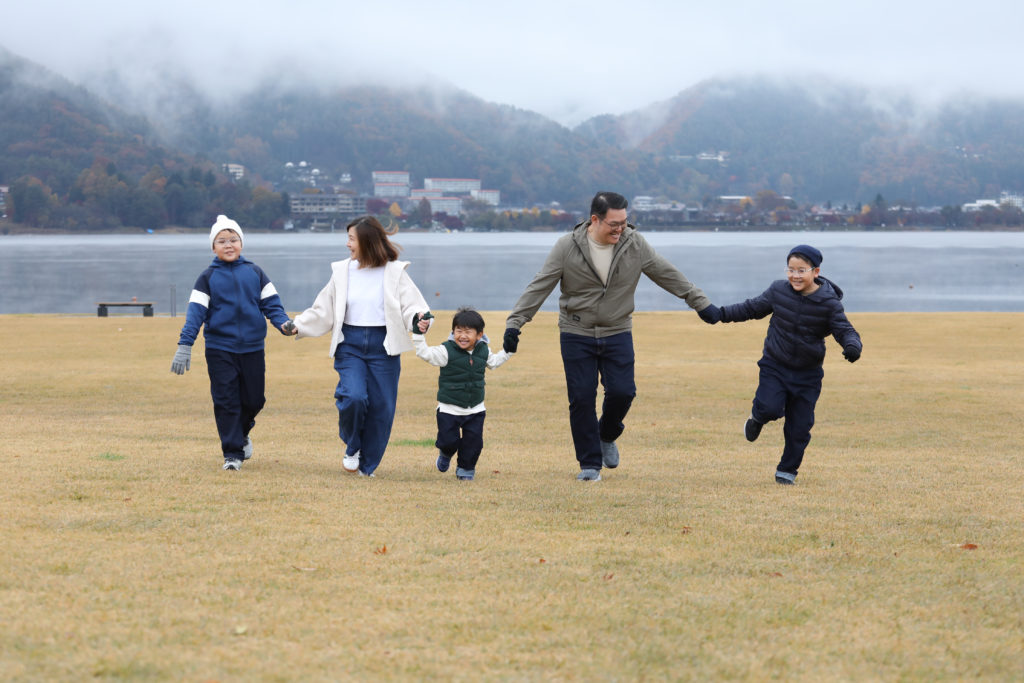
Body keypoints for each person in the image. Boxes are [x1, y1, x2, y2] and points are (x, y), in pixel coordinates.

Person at [504, 191, 716, 481]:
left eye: (624, 222)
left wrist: (700, 302)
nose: (621, 229)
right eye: (614, 224)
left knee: (623, 392)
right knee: (581, 398)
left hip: (617, 330)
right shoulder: (567, 247)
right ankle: (590, 465)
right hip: (576, 331)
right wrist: (515, 323)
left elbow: (667, 273)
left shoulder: (634, 243)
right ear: (595, 219)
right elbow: (540, 285)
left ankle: (607, 434)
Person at [697, 244, 862, 485]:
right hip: (775, 365)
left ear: (815, 272)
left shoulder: (829, 303)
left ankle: (787, 471)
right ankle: (757, 418)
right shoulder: (778, 291)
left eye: (801, 270)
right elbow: (750, 308)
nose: (795, 275)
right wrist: (719, 314)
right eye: (791, 269)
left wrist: (852, 346)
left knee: (800, 427)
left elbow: (844, 329)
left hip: (808, 374)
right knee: (770, 408)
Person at [293, 215, 430, 477]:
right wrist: (298, 325)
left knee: (382, 408)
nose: (347, 244)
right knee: (354, 397)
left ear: (366, 242)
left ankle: (368, 467)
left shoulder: (394, 272)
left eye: (351, 239)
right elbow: (324, 308)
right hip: (350, 345)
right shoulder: (342, 272)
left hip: (384, 347)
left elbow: (413, 307)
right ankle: (352, 443)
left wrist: (419, 321)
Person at [170, 214, 297, 471]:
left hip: (252, 348)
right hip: (220, 349)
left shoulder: (256, 273)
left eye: (233, 239)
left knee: (254, 400)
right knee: (226, 400)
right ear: (213, 247)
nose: (228, 245)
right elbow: (195, 314)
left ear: (241, 243)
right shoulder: (206, 278)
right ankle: (232, 455)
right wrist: (185, 345)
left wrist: (284, 324)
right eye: (221, 241)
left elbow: (272, 306)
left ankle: (241, 433)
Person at [411, 307, 514, 481]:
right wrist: (418, 334)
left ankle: (465, 470)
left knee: (473, 444)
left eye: (468, 332)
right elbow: (425, 353)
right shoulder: (446, 351)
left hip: (475, 409)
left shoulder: (483, 350)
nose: (462, 336)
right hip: (448, 409)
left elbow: (494, 362)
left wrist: (508, 350)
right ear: (453, 332)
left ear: (479, 335)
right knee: (448, 441)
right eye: (458, 331)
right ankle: (446, 453)